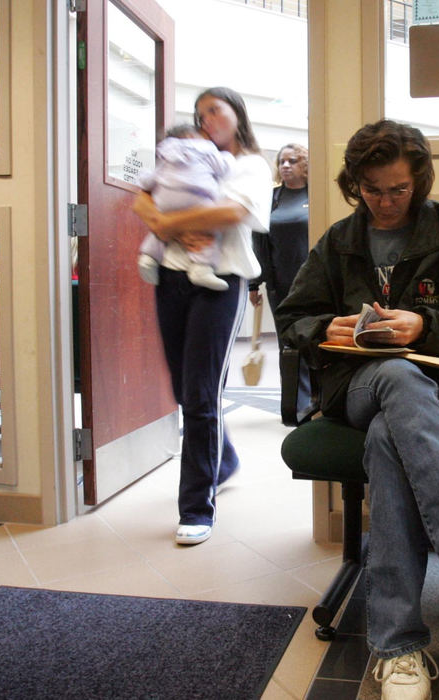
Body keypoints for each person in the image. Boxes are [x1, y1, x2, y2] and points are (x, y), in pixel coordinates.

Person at [275, 120, 439, 699]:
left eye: (398, 189)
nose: (386, 202)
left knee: (392, 435)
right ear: (355, 184)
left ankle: (397, 648)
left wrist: (425, 325)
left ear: (418, 181)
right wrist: (327, 326)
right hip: (360, 383)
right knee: (393, 375)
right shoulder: (339, 240)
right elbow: (293, 320)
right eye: (372, 190)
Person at [131, 87, 272, 546]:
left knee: (200, 394)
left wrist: (165, 223)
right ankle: (223, 458)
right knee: (185, 391)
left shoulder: (249, 163)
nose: (207, 118)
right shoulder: (182, 155)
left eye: (216, 109)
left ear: (237, 113)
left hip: (220, 283)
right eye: (200, 113)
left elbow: (236, 211)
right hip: (170, 279)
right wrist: (165, 219)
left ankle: (195, 507)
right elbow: (141, 200)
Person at [137, 123, 236, 292]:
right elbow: (223, 167)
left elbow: (149, 181)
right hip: (196, 200)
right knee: (208, 230)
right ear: (192, 137)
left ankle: (148, 257)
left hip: (165, 202)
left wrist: (145, 181)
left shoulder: (165, 155)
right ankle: (201, 268)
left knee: (160, 227)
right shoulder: (205, 150)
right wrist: (228, 157)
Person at [250, 143, 311, 407]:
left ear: (306, 165)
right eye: (282, 161)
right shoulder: (272, 198)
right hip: (280, 284)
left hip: (313, 284)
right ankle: (295, 402)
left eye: (293, 161)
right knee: (287, 344)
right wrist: (254, 283)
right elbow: (259, 240)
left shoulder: (316, 194)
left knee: (314, 341)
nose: (285, 166)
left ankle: (318, 400)